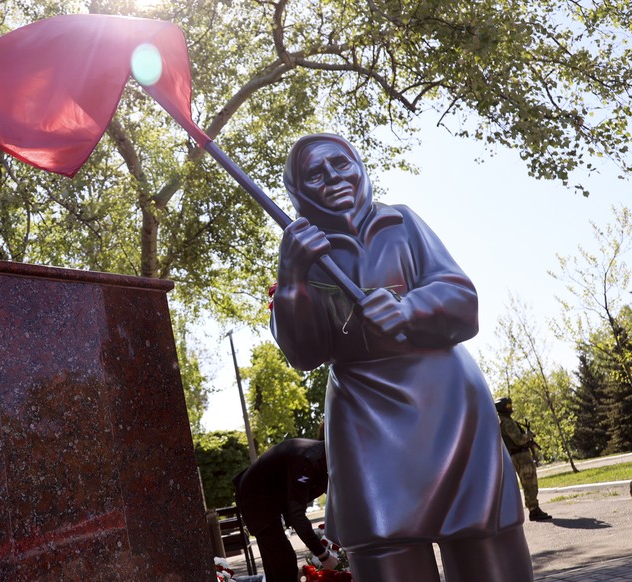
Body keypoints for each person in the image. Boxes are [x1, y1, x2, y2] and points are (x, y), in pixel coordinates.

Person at [269, 133, 534, 582]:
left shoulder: (402, 224)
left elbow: (462, 301)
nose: (333, 176)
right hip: (365, 418)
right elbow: (304, 353)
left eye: (341, 163)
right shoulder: (303, 256)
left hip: (448, 406)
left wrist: (408, 308)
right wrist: (292, 278)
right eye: (315, 173)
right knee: (385, 548)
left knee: (485, 541)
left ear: (360, 166)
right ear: (298, 192)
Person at [233, 437, 340, 581]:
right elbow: (297, 515)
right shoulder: (308, 461)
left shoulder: (327, 456)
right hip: (256, 499)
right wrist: (323, 555)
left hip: (266, 497)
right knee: (284, 562)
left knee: (278, 565)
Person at [495, 397, 553, 521]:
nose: (510, 408)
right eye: (507, 406)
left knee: (528, 483)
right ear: (501, 408)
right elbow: (519, 440)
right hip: (520, 457)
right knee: (530, 483)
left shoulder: (502, 421)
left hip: (516, 455)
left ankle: (534, 509)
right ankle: (534, 510)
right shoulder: (507, 422)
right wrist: (529, 435)